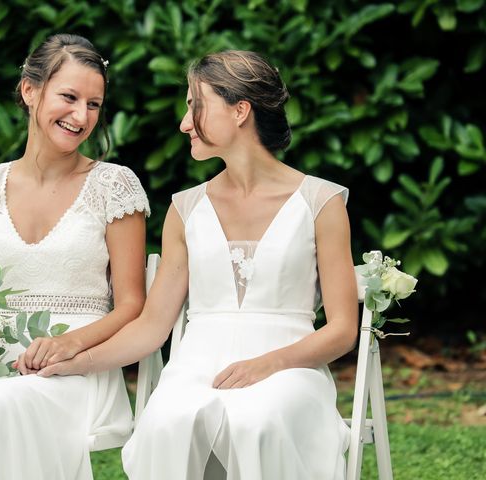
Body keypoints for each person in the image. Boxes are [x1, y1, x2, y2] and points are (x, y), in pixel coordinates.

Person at [39, 50, 359, 480]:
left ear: (240, 110)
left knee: (257, 420)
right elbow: (153, 326)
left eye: (196, 105)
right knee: (168, 421)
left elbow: (342, 330)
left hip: (289, 369)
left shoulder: (320, 203)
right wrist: (76, 356)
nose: (184, 123)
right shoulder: (185, 209)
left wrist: (267, 364)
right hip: (195, 367)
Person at [0, 33, 150, 480]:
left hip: (77, 362)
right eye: (70, 97)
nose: (81, 116)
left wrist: (71, 344)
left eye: (94, 104)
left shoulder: (115, 186)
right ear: (30, 90)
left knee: (13, 402)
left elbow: (133, 304)